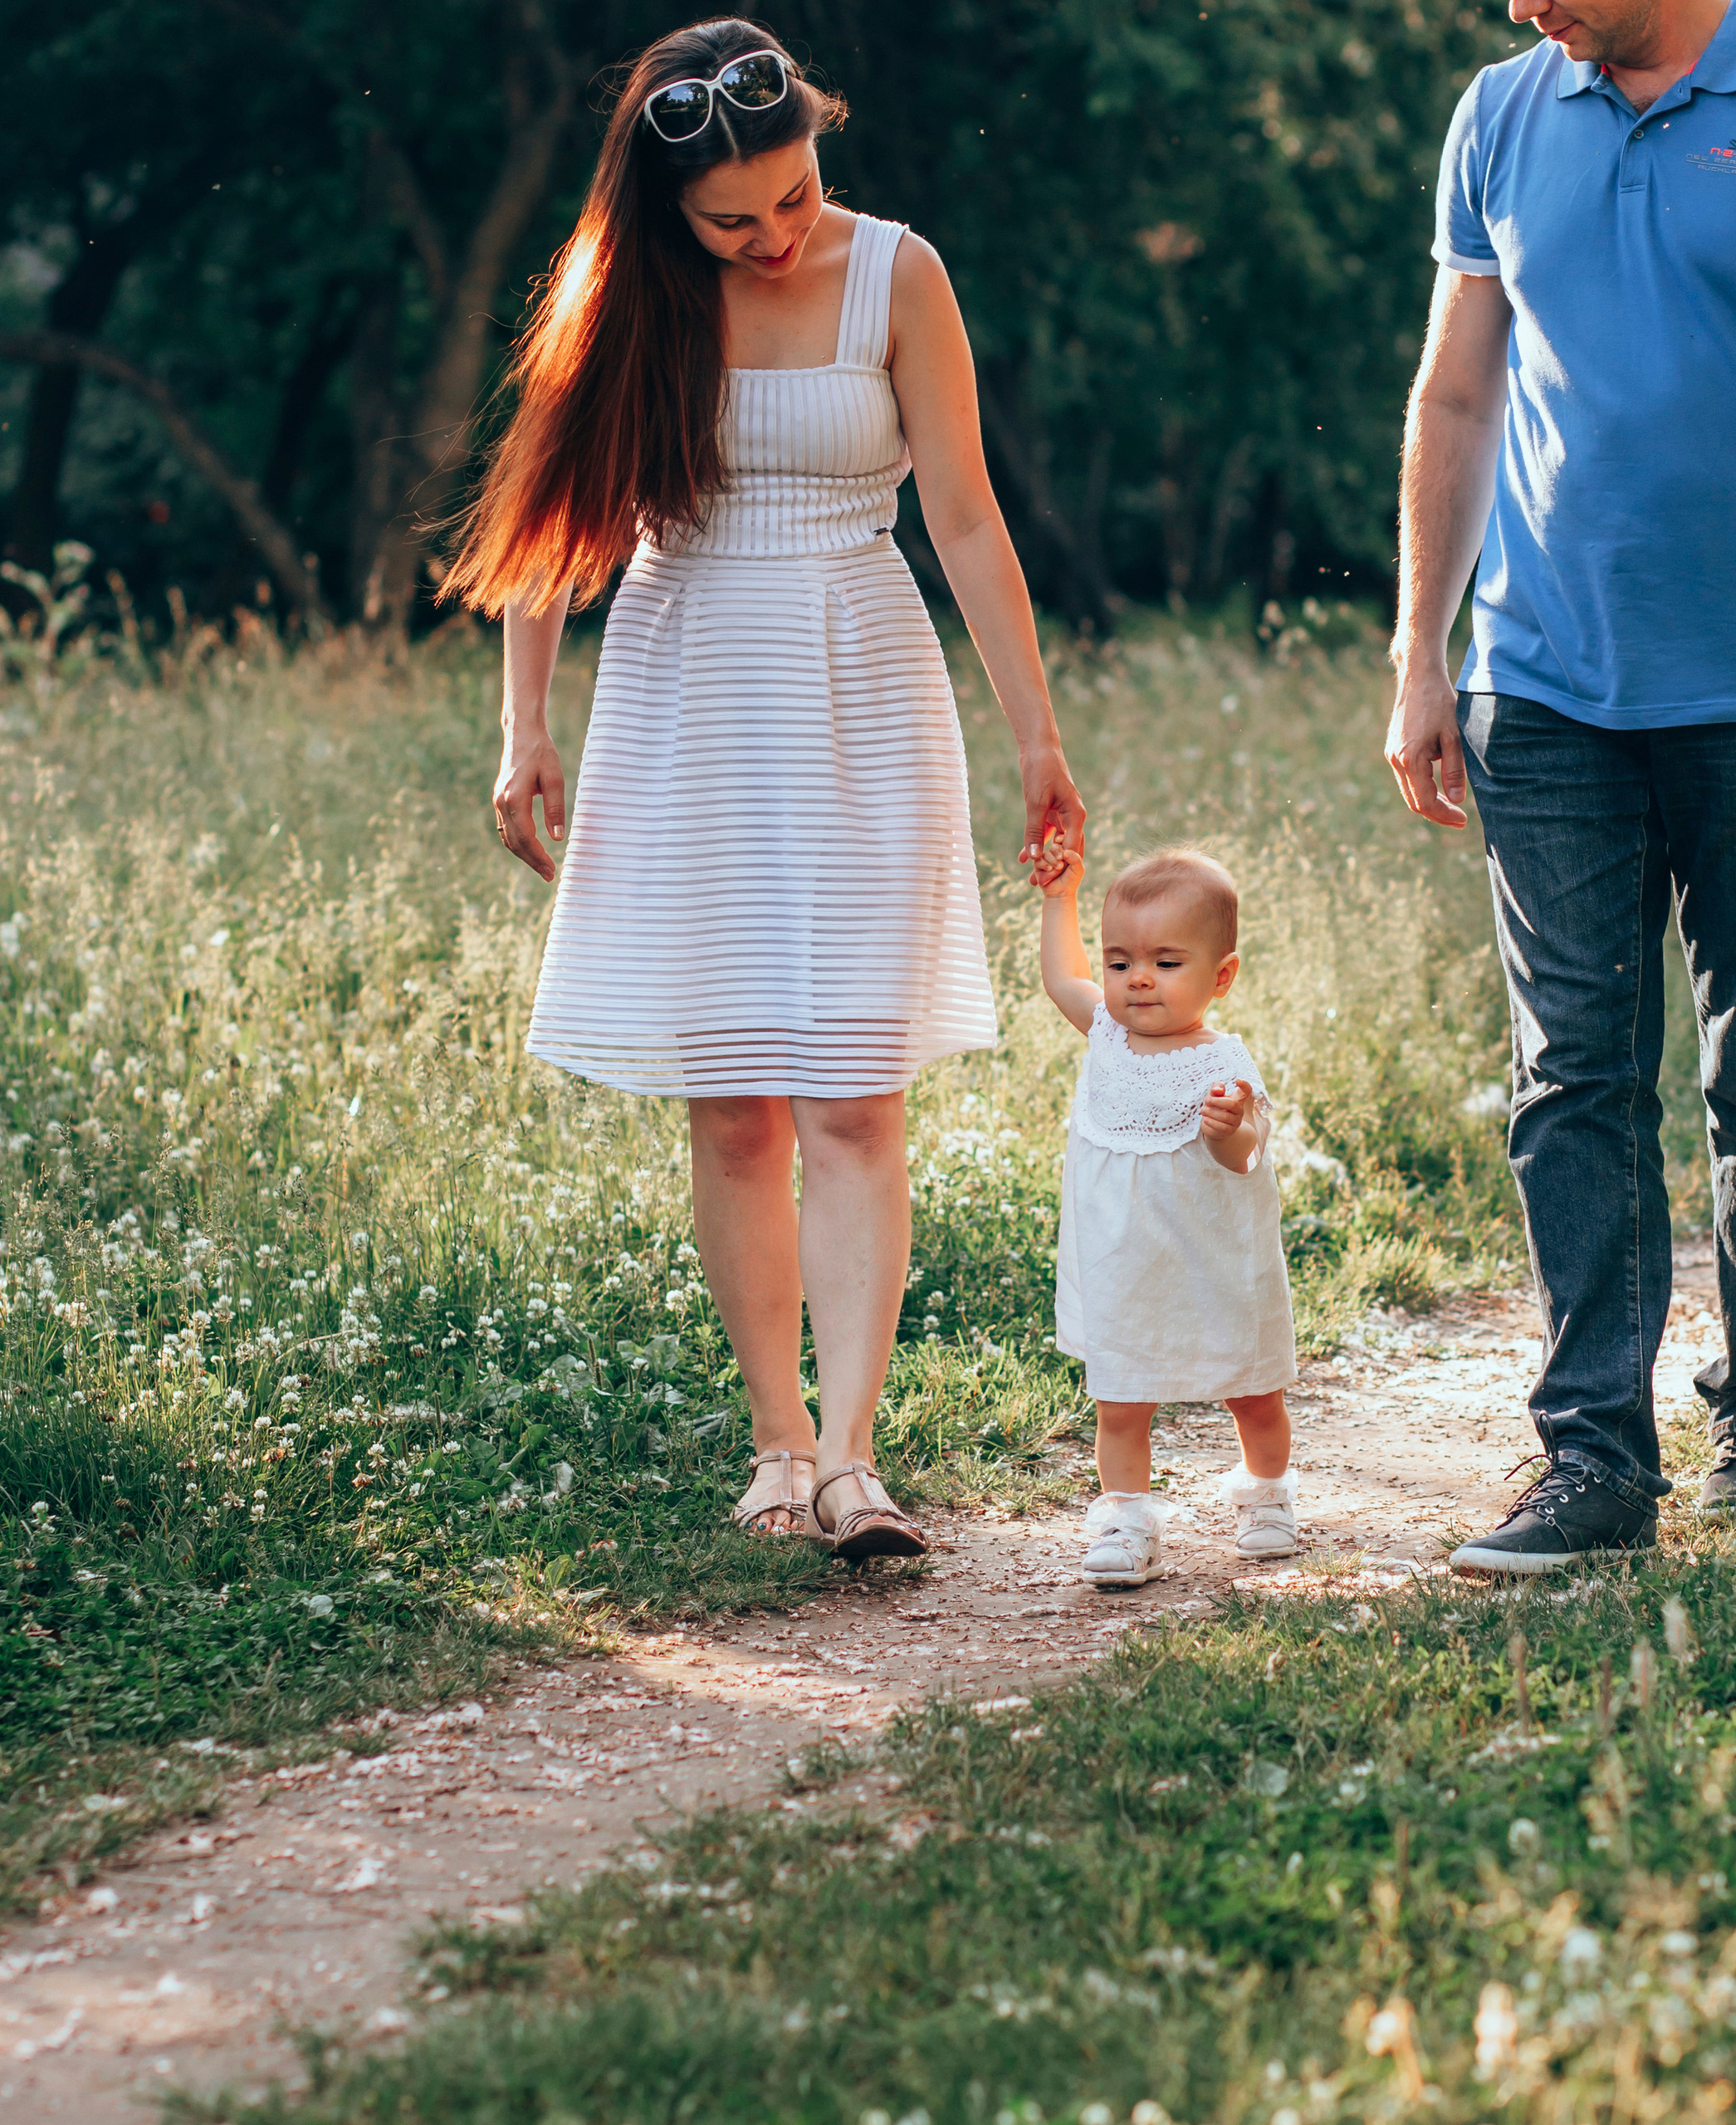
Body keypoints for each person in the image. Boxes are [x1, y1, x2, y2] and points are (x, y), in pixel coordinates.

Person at [444, 19, 1084, 1559]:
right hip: (687, 686)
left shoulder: (899, 274)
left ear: (817, 146)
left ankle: (859, 1459)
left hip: (860, 676)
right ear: (669, 213)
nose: (773, 236)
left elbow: (971, 522)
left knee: (855, 1096)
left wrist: (1040, 746)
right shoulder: (635, 294)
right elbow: (550, 518)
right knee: (736, 1108)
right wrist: (525, 724)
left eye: (791, 198)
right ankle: (778, 1446)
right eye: (733, 221)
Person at [1383, 0, 1736, 1572]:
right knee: (1572, 1070)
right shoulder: (1500, 114)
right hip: (1544, 678)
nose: (1520, 7)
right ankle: (1594, 1460)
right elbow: (1455, 395)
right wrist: (1421, 651)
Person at [1029, 843, 1299, 1588]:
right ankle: (1124, 1516)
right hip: (1125, 1262)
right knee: (1121, 1402)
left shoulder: (1225, 1067)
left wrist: (1228, 1130)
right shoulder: (1106, 1035)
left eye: (1165, 962)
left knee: (1251, 1389)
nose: (1137, 978)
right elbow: (1060, 977)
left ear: (1222, 977)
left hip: (1212, 1260)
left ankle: (1267, 1494)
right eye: (1120, 963)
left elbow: (1246, 1157)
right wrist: (1062, 896)